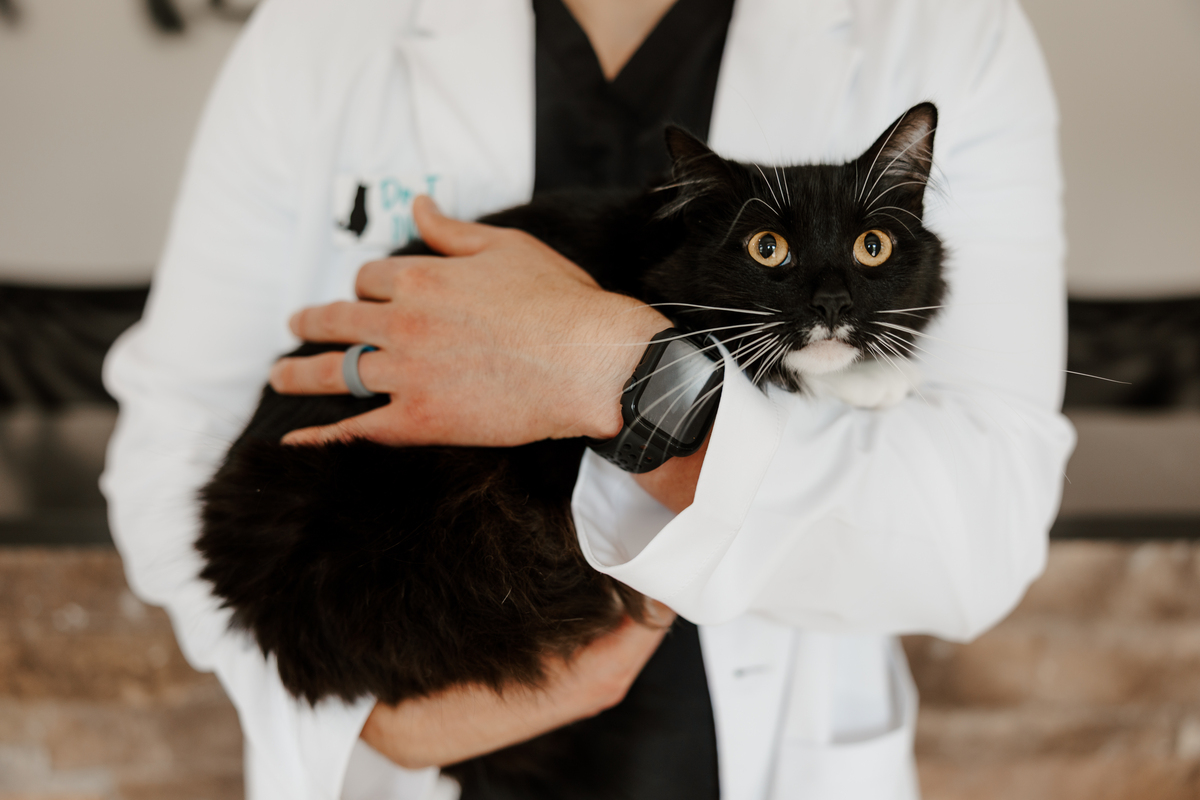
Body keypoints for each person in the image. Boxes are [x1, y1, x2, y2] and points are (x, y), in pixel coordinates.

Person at [101, 0, 1076, 797]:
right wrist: (367, 715)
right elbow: (174, 430)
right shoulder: (323, 29)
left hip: (757, 752)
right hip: (422, 709)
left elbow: (979, 531)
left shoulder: (948, 27)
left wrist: (619, 371)